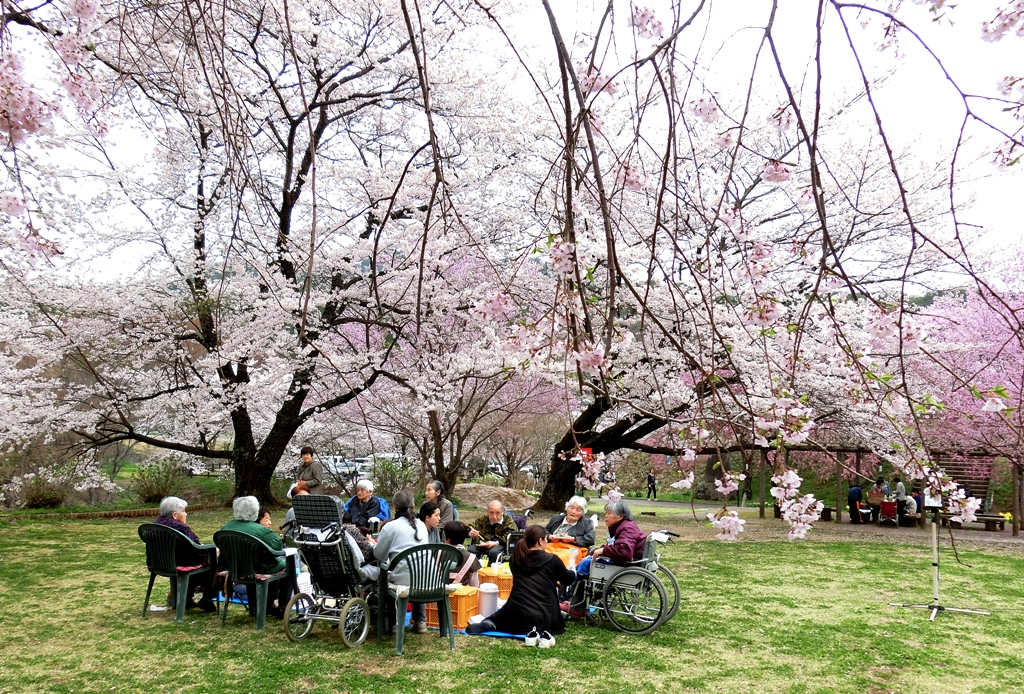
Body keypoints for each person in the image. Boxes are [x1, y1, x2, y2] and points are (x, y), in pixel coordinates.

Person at [466, 525, 576, 638]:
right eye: (546, 539)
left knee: (501, 617)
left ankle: (489, 624)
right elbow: (568, 579)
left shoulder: (515, 558)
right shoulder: (552, 560)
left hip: (517, 612)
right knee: (549, 618)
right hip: (544, 614)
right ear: (540, 541)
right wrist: (572, 562)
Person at [565, 499, 645, 618]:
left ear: (620, 516)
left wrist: (603, 550)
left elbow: (624, 551)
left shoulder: (627, 528)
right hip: (626, 562)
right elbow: (616, 545)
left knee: (585, 564)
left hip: (625, 565)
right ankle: (577, 601)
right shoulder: (622, 526)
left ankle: (576, 605)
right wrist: (600, 550)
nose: (605, 516)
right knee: (589, 558)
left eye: (609, 513)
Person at [220, 496, 293, 619]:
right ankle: (283, 606)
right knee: (288, 565)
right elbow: (277, 546)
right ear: (255, 511)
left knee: (271, 563)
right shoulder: (260, 530)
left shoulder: (225, 528)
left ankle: (258, 606)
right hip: (260, 568)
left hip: (237, 570)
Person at [373, 489, 430, 634]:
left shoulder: (390, 527)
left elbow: (379, 554)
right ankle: (420, 621)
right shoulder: (422, 525)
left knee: (389, 575)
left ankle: (393, 623)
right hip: (427, 579)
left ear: (394, 507)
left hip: (402, 581)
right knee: (417, 572)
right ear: (413, 505)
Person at [153, 496, 217, 612]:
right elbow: (196, 547)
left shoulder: (154, 525)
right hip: (180, 564)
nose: (186, 514)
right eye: (183, 511)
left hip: (158, 565)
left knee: (195, 562)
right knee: (212, 561)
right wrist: (211, 550)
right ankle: (207, 598)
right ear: (174, 515)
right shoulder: (180, 528)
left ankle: (185, 597)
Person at [468, 500, 517, 565]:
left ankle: (491, 571)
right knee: (471, 549)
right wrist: (470, 532)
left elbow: (512, 534)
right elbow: (470, 527)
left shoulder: (508, 519)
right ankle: (474, 571)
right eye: (491, 513)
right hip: (484, 543)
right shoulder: (483, 519)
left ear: (502, 512)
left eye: (498, 513)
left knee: (493, 552)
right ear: (487, 512)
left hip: (500, 544)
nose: (494, 516)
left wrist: (496, 543)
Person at [443, 521, 481, 586]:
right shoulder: (471, 557)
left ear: (447, 539)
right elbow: (474, 584)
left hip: (440, 592)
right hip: (463, 594)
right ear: (464, 539)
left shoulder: (437, 553)